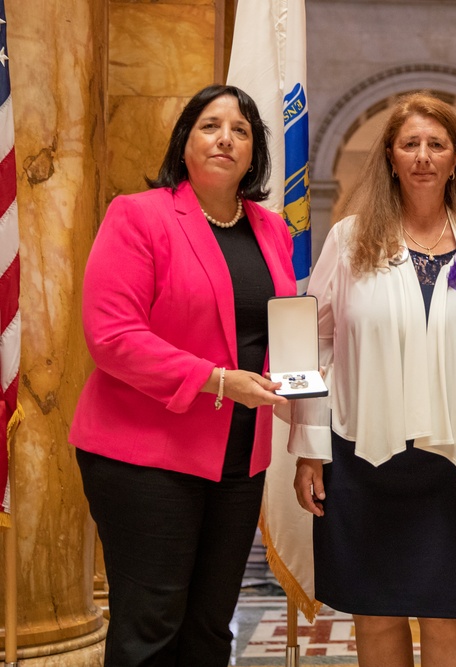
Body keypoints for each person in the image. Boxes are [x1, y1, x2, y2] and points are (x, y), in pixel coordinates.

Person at [69, 84, 296, 666]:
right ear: (185, 141)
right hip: (145, 454)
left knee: (208, 627)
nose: (226, 138)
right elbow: (112, 337)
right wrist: (217, 380)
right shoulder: (138, 216)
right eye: (210, 126)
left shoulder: (271, 230)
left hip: (240, 455)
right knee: (151, 627)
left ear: (255, 153)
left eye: (241, 130)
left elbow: (279, 332)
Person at [289, 92, 456, 667]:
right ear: (390, 155)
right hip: (364, 456)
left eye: (436, 145)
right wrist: (308, 448)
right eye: (410, 144)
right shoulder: (348, 239)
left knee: (451, 614)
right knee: (376, 615)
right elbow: (304, 341)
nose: (423, 156)